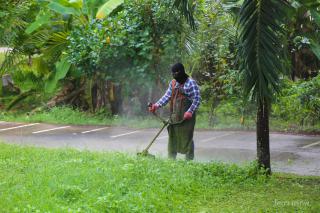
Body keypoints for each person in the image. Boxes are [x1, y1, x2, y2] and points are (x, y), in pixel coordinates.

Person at [149, 63, 201, 160]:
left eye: (177, 73)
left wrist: (190, 111)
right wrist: (156, 105)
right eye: (173, 74)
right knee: (173, 138)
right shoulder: (173, 83)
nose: (176, 76)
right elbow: (167, 96)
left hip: (187, 117)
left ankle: (189, 162)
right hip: (174, 115)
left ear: (182, 72)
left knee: (187, 138)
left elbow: (197, 99)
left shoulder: (191, 83)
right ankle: (171, 161)